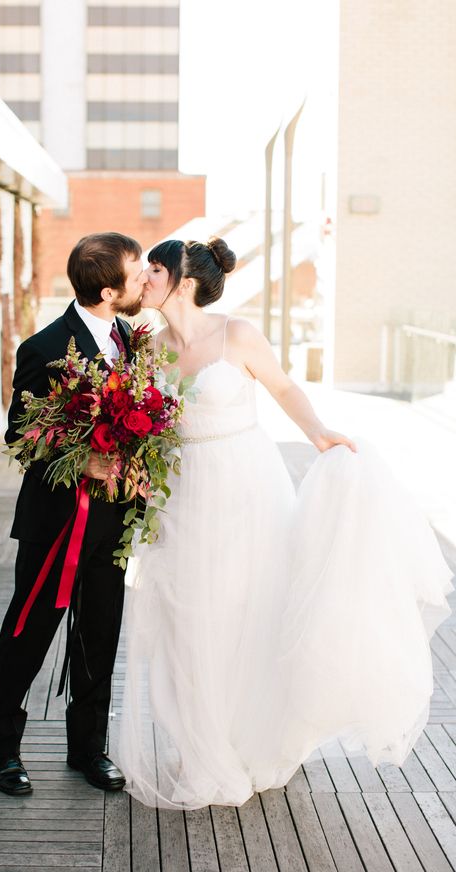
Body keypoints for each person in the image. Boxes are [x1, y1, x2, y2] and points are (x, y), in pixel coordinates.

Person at [112, 237, 453, 809]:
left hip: (246, 487)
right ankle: (204, 745)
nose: (143, 277)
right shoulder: (147, 347)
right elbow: (143, 424)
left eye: (153, 268)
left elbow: (284, 387)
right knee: (187, 618)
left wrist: (320, 432)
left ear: (184, 281)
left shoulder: (237, 335)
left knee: (248, 609)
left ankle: (251, 737)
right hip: (182, 496)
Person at [0, 232, 147, 796]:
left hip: (114, 523)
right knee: (28, 635)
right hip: (57, 525)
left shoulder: (130, 338)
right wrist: (86, 460)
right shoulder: (45, 347)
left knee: (99, 638)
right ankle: (3, 751)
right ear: (108, 290)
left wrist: (135, 464)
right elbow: (20, 439)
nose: (147, 279)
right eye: (137, 272)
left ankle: (88, 750)